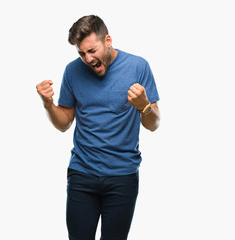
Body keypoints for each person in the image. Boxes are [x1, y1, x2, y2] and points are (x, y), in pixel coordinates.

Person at [36, 15, 160, 240]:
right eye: (82, 53)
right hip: (82, 174)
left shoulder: (138, 66)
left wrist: (144, 107)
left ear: (108, 41)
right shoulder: (72, 71)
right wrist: (48, 104)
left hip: (122, 176)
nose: (88, 59)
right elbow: (64, 123)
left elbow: (154, 124)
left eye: (92, 51)